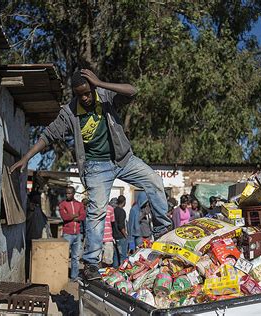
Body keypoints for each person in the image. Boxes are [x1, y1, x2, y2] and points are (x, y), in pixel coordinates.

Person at [9, 69, 172, 280]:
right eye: (80, 95)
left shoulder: (105, 96)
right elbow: (48, 135)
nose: (85, 98)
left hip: (123, 159)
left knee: (154, 180)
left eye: (87, 92)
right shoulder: (69, 112)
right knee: (96, 212)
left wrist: (101, 83)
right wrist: (26, 157)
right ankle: (91, 263)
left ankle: (161, 228)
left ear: (93, 88)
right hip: (96, 167)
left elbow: (133, 91)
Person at [59, 186, 86, 281]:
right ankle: (61, 275)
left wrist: (74, 217)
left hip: (77, 234)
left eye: (69, 193)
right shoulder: (62, 204)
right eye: (66, 193)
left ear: (73, 193)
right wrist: (75, 216)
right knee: (63, 255)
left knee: (75, 257)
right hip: (67, 234)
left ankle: (74, 276)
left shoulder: (79, 204)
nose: (67, 195)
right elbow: (64, 217)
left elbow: (83, 216)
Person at [112, 195, 128, 267]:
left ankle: (115, 269)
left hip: (114, 235)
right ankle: (122, 271)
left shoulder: (114, 210)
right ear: (124, 202)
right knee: (123, 256)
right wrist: (125, 235)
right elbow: (121, 225)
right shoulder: (122, 212)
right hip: (120, 236)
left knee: (116, 255)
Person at [101, 198, 116, 267]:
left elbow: (112, 222)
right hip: (100, 237)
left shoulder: (110, 209)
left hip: (107, 237)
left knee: (108, 260)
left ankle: (105, 275)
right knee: (99, 259)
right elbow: (112, 223)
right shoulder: (97, 208)